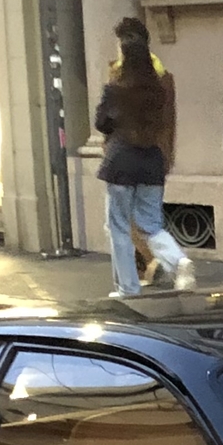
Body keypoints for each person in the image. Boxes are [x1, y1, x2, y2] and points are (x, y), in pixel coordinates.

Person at [94, 30, 192, 296]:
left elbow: (101, 123)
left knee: (118, 228)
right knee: (151, 224)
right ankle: (178, 261)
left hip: (121, 164)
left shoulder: (116, 89)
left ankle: (128, 288)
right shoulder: (158, 91)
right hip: (151, 163)